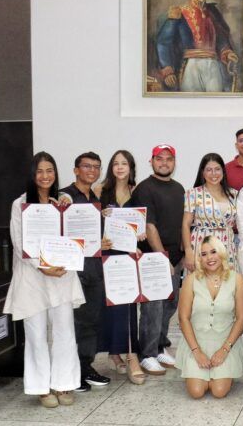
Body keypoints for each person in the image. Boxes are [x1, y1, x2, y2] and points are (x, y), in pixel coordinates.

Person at [4, 152, 84, 408]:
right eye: (40, 171)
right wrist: (42, 267)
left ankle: (63, 383)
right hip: (32, 277)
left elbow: (75, 236)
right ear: (32, 174)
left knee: (64, 331)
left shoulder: (63, 201)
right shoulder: (20, 205)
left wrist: (65, 212)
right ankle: (41, 387)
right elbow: (19, 244)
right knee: (36, 333)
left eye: (50, 170)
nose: (45, 176)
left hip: (61, 275)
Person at [130, 144, 185, 376]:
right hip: (154, 258)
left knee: (169, 304)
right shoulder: (144, 189)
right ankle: (148, 354)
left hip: (175, 258)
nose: (164, 163)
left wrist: (180, 257)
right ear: (151, 161)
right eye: (159, 158)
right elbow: (149, 225)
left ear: (174, 162)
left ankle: (161, 345)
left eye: (169, 159)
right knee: (153, 307)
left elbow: (183, 223)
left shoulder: (178, 188)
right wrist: (162, 258)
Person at [58, 152, 111, 392]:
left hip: (94, 268)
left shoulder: (94, 198)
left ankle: (85, 366)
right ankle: (71, 371)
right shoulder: (65, 196)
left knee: (91, 320)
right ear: (76, 170)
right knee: (74, 322)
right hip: (74, 270)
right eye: (86, 166)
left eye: (96, 167)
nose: (92, 170)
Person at [95, 150, 146, 385]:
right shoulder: (99, 190)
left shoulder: (138, 191)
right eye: (115, 163)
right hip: (106, 255)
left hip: (129, 256)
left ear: (131, 166)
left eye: (124, 163)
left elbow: (143, 224)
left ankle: (131, 354)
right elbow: (86, 221)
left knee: (127, 307)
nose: (119, 167)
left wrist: (141, 233)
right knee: (110, 307)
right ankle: (115, 352)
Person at [176, 237, 243, 399]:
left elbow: (241, 319)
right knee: (196, 392)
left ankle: (224, 372)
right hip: (197, 341)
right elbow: (183, 318)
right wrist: (197, 352)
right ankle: (201, 372)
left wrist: (224, 349)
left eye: (213, 252)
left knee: (219, 391)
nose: (210, 258)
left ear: (222, 253)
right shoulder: (191, 280)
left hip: (225, 341)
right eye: (204, 254)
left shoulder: (237, 280)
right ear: (199, 258)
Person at [155, 0, 239, 93]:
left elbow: (221, 37)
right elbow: (164, 41)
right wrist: (167, 69)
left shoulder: (213, 12)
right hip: (191, 66)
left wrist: (226, 52)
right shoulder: (179, 12)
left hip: (213, 65)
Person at [182, 153, 237, 275]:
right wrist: (188, 251)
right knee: (200, 286)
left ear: (223, 171)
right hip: (201, 246)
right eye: (209, 170)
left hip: (226, 245)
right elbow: (186, 224)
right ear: (203, 172)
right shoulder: (193, 194)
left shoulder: (234, 194)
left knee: (226, 286)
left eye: (217, 169)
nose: (214, 174)